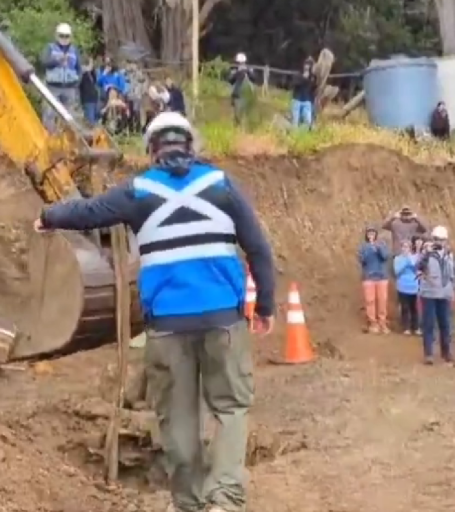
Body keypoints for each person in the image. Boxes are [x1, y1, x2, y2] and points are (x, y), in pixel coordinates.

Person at [34, 111, 274, 512]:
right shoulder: (221, 184)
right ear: (191, 146)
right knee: (230, 408)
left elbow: (89, 212)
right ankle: (226, 502)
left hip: (167, 325)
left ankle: (187, 504)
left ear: (152, 150)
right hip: (223, 321)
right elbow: (259, 248)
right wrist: (265, 304)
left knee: (178, 419)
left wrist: (48, 216)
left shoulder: (138, 190)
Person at [419, 226, 455, 365]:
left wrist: (452, 290)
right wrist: (425, 254)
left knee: (445, 324)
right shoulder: (426, 252)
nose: (439, 242)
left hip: (444, 293)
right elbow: (418, 266)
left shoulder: (449, 254)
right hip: (429, 293)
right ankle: (428, 354)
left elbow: (452, 273)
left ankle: (446, 352)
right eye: (437, 239)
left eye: (442, 240)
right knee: (429, 324)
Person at [40, 23, 81, 132]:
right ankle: (49, 137)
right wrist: (57, 60)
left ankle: (68, 139)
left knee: (69, 115)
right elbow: (44, 62)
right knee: (49, 113)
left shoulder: (74, 50)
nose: (64, 38)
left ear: (70, 36)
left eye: (66, 36)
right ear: (57, 35)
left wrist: (77, 82)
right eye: (62, 35)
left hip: (70, 87)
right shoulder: (50, 48)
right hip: (53, 87)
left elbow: (79, 68)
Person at [359, 226, 391, 333]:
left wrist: (378, 248)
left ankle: (383, 323)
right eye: (369, 233)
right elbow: (362, 260)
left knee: (382, 300)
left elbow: (385, 256)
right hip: (368, 277)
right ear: (367, 235)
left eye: (373, 233)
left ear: (376, 234)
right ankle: (373, 323)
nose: (371, 235)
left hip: (381, 277)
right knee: (370, 301)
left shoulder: (382, 245)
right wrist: (369, 249)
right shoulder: (363, 247)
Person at [393, 239, 420, 335]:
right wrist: (405, 263)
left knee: (414, 308)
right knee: (405, 308)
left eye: (407, 247)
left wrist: (413, 264)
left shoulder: (414, 257)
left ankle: (416, 327)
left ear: (410, 248)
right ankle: (406, 328)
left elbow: (418, 270)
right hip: (402, 286)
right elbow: (397, 271)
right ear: (401, 248)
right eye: (403, 247)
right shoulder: (397, 258)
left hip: (413, 286)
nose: (405, 249)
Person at [228, 53, 255, 127]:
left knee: (241, 113)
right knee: (240, 114)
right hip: (242, 94)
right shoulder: (237, 70)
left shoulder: (246, 70)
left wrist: (246, 72)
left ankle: (241, 128)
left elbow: (254, 78)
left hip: (243, 95)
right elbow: (230, 80)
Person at [291, 58, 318, 129]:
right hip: (297, 100)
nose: (307, 67)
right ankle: (294, 135)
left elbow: (313, 90)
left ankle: (302, 134)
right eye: (306, 64)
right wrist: (303, 78)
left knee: (308, 121)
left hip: (307, 101)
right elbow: (295, 84)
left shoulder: (313, 77)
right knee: (295, 121)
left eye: (310, 65)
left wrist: (313, 102)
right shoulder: (298, 74)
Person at [78, 58, 99, 125]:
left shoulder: (91, 73)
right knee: (90, 120)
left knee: (96, 119)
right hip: (87, 100)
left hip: (94, 99)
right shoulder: (81, 72)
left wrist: (92, 69)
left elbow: (95, 80)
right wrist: (88, 67)